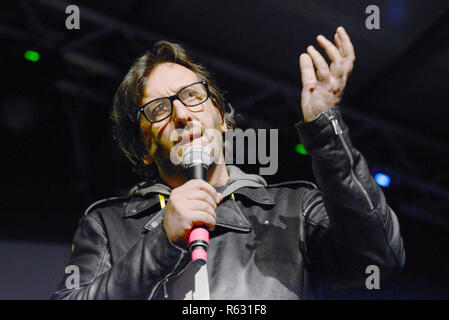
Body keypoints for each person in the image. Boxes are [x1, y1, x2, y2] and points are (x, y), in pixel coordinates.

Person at [52, 26, 405, 300]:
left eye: (191, 95)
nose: (181, 114)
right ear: (144, 147)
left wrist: (324, 129)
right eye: (159, 108)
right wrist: (162, 243)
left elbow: (378, 257)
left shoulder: (293, 210)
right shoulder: (109, 225)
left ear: (222, 119)